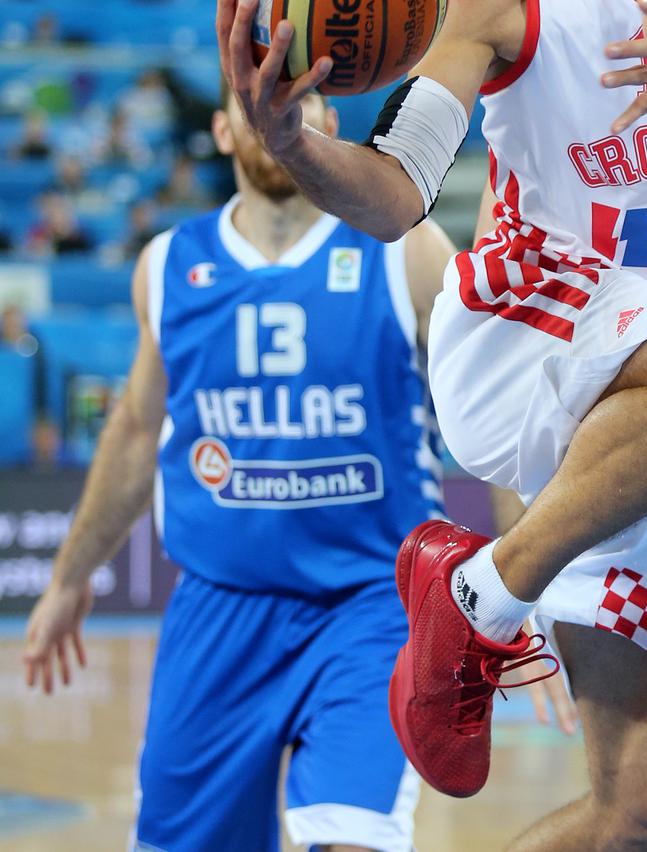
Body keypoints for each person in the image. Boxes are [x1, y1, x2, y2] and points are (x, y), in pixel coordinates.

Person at [220, 0, 647, 847]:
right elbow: (395, 196)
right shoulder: (496, 7)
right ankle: (483, 593)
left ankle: (480, 591)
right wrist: (295, 143)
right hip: (534, 332)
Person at [21, 81, 570, 852]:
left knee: (355, 839)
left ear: (328, 122)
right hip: (218, 612)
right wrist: (70, 578)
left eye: (298, 102)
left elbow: (493, 427)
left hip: (370, 610)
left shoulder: (404, 249)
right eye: (255, 104)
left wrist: (527, 589)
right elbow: (136, 431)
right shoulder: (168, 265)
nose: (276, 115)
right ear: (219, 130)